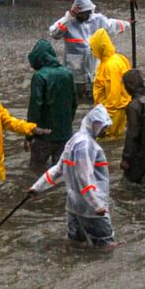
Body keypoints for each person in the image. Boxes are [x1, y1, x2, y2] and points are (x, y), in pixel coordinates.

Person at [29, 105, 115, 247]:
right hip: (91, 210)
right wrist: (97, 205)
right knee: (106, 247)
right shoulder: (87, 145)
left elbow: (58, 169)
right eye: (104, 127)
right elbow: (84, 177)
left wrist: (37, 187)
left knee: (75, 244)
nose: (105, 131)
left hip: (74, 206)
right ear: (95, 124)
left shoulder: (74, 140)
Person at [49, 0, 128, 101]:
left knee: (95, 95)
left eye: (84, 13)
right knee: (76, 96)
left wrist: (127, 24)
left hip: (94, 66)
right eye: (79, 14)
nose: (82, 16)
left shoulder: (97, 20)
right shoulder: (68, 22)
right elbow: (54, 33)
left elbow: (111, 25)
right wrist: (69, 17)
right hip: (75, 67)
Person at [26, 39, 77, 175]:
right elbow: (74, 103)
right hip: (65, 134)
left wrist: (29, 135)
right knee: (61, 173)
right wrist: (66, 125)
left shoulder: (39, 77)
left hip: (44, 136)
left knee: (36, 171)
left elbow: (34, 109)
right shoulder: (68, 74)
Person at [89, 28, 131, 137]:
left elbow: (114, 93)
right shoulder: (118, 58)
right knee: (116, 137)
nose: (92, 51)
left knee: (108, 140)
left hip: (113, 113)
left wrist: (105, 116)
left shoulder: (110, 65)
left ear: (100, 48)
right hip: (117, 110)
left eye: (93, 48)